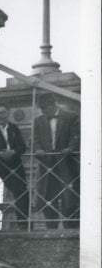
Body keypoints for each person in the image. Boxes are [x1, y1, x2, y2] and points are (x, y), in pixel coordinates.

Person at [31, 93, 80, 228]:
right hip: (47, 164)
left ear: (53, 105)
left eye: (45, 108)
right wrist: (38, 149)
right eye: (41, 108)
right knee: (48, 195)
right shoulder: (38, 121)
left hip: (65, 163)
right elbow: (34, 139)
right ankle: (50, 227)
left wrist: (70, 148)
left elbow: (76, 136)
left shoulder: (71, 117)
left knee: (68, 196)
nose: (43, 111)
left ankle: (70, 228)